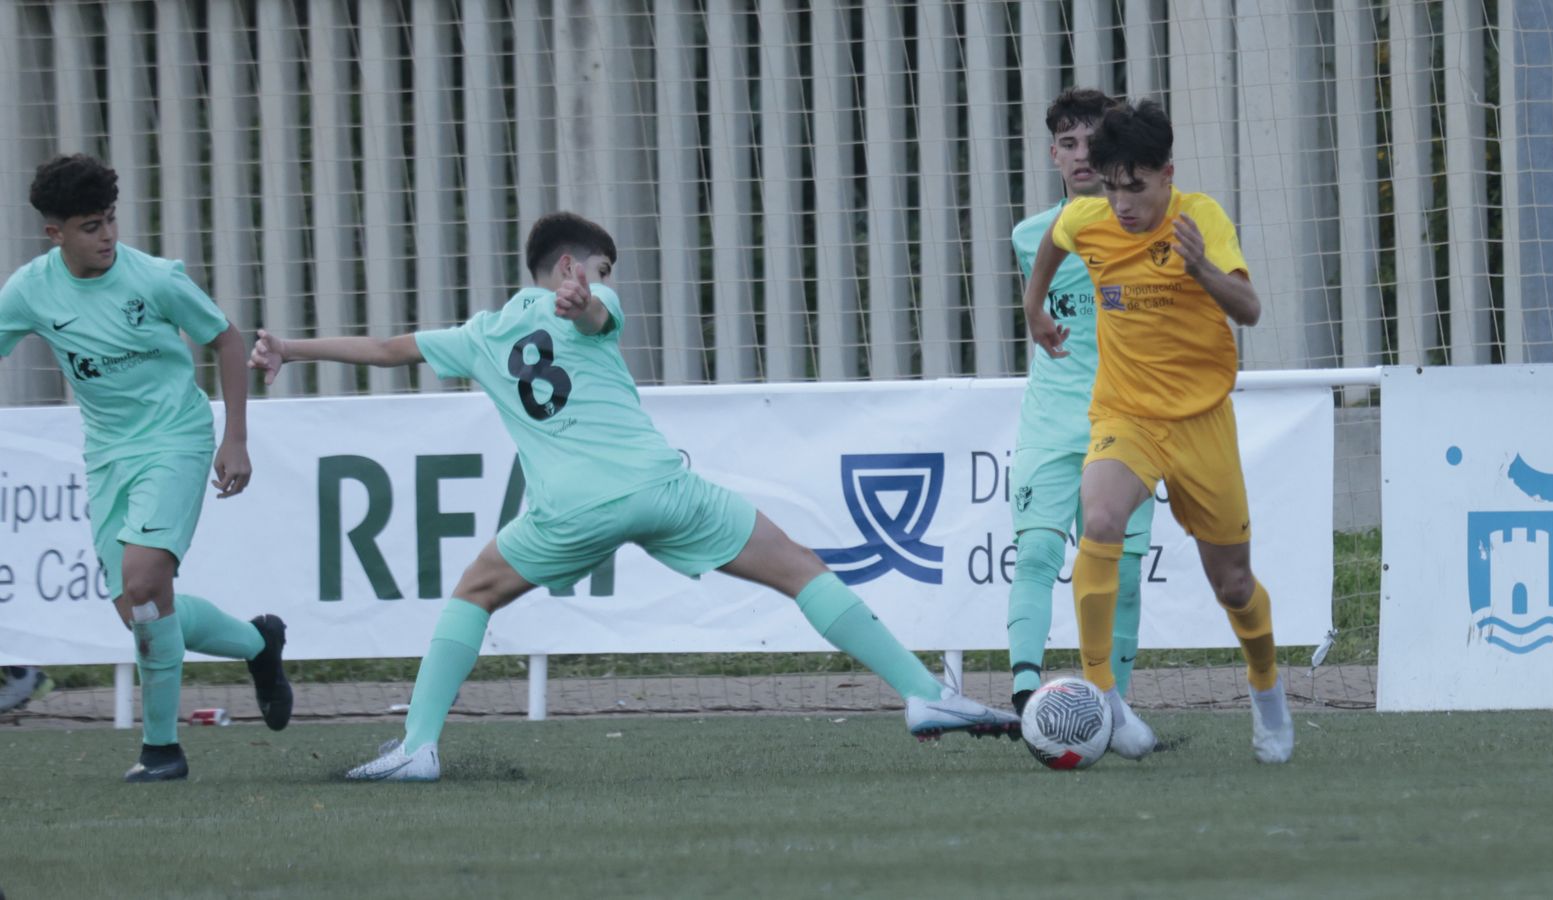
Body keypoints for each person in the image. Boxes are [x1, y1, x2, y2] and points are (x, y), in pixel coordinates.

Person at [250, 211, 1020, 782]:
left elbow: (387, 349)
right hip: (661, 488)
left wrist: (290, 346)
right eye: (599, 268)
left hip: (569, 511)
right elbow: (596, 314)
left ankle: (418, 746)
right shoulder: (592, 304)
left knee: (475, 592)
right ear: (567, 265)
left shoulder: (481, 333)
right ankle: (923, 692)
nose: (603, 283)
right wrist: (585, 302)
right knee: (799, 567)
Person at [0, 154, 294, 782]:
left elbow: (227, 339)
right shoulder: (29, 290)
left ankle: (162, 752)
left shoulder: (154, 278)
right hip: (107, 455)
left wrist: (235, 437)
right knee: (141, 609)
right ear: (54, 233)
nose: (107, 235)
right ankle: (258, 642)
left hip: (175, 439)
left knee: (142, 584)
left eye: (110, 219)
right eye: (90, 226)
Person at [1020, 100, 1294, 764]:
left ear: (1167, 175)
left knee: (1234, 585)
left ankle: (1266, 690)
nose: (1122, 203)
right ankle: (1104, 699)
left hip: (1200, 422)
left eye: (1135, 187)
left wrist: (1201, 269)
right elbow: (1055, 240)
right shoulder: (1089, 217)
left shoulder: (1201, 219)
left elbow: (1250, 310)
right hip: (1126, 414)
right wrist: (1034, 307)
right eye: (1112, 186)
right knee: (1100, 517)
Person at [1006, 87, 1157, 715]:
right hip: (1050, 423)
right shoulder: (1028, 237)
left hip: (1127, 426)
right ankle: (1026, 699)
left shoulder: (1148, 229)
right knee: (1037, 553)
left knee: (1123, 576)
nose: (1080, 154)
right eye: (1067, 143)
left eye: (1092, 141)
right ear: (1054, 155)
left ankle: (1113, 710)